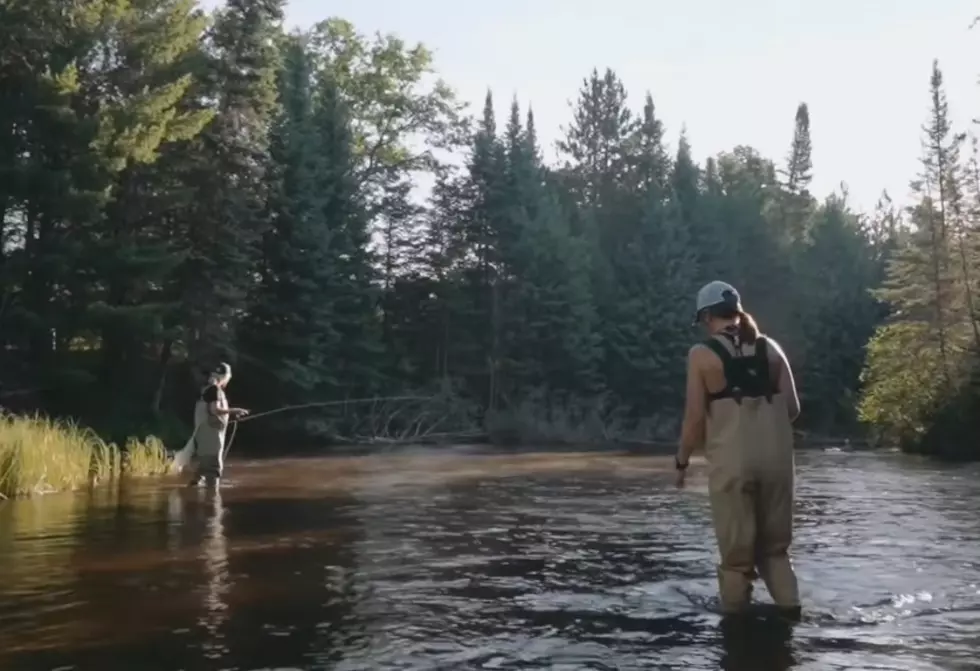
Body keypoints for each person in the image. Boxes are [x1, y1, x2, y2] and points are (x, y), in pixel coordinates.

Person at [674, 280, 802, 617]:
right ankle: (791, 619)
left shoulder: (702, 355)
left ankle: (739, 637)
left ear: (706, 318)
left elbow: (693, 419)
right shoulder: (771, 348)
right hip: (778, 464)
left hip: (733, 464)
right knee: (775, 552)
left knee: (736, 560)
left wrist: (682, 462)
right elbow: (793, 408)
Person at [189, 362, 248, 488]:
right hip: (211, 436)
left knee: (203, 469)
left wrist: (230, 415)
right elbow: (214, 410)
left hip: (205, 434)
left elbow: (211, 414)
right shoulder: (214, 389)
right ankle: (213, 502)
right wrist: (235, 410)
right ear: (225, 377)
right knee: (213, 469)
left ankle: (194, 494)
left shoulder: (208, 389)